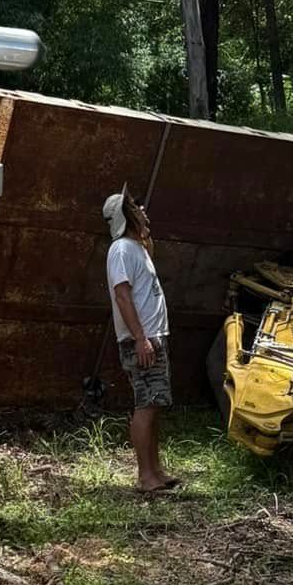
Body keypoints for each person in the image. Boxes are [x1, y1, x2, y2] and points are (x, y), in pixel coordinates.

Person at [103, 188, 179, 493]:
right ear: (126, 217)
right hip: (141, 342)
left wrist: (145, 234)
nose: (142, 209)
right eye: (135, 207)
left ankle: (155, 471)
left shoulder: (136, 248)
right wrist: (140, 339)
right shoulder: (120, 249)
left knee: (154, 403)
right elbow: (122, 295)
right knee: (145, 404)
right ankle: (146, 476)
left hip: (152, 339)